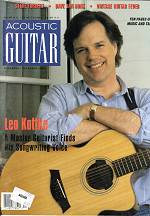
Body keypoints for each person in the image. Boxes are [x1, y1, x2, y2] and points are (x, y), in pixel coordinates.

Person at [37, 11, 150, 215]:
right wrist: (121, 123)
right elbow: (48, 134)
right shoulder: (60, 95)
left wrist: (91, 111)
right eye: (82, 50)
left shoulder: (144, 98)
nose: (92, 57)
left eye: (99, 45)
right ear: (74, 58)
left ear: (114, 47)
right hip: (79, 210)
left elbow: (145, 130)